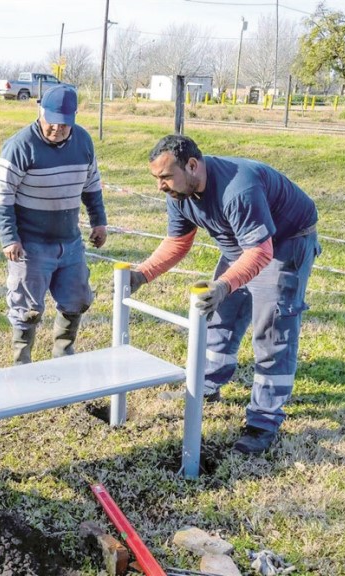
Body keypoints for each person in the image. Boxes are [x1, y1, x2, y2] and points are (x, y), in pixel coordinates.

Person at [131, 134, 320, 455]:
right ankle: (209, 384)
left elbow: (260, 253)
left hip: (286, 241)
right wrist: (143, 273)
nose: (160, 186)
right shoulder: (179, 193)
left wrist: (223, 285)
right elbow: (178, 242)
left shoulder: (238, 188)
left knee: (272, 330)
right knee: (220, 316)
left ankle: (264, 421)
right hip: (242, 243)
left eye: (165, 177)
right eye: (156, 178)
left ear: (192, 166)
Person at [0, 85, 108, 365]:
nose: (57, 128)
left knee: (77, 299)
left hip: (69, 241)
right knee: (27, 309)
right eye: (51, 120)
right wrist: (9, 238)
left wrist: (99, 221)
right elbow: (2, 196)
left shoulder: (83, 142)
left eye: (64, 123)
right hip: (30, 245)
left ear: (74, 118)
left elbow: (91, 185)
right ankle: (22, 362)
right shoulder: (20, 146)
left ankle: (63, 356)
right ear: (40, 111)